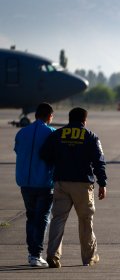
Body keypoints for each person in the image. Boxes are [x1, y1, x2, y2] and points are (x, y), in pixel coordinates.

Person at [40, 107, 107, 268]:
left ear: (69, 119)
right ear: (84, 120)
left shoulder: (57, 134)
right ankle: (88, 258)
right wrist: (102, 183)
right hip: (82, 184)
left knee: (58, 219)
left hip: (61, 182)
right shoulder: (90, 136)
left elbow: (44, 154)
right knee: (85, 220)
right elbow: (99, 161)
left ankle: (53, 256)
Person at [14, 103, 55, 267]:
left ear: (36, 115)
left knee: (31, 217)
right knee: (42, 218)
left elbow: (18, 150)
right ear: (49, 116)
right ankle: (35, 254)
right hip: (44, 182)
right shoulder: (51, 133)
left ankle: (31, 253)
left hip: (25, 182)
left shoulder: (22, 132)